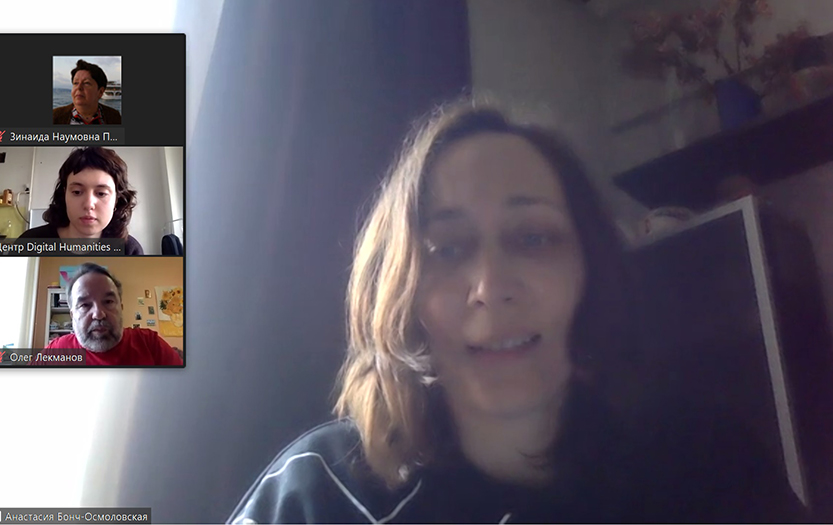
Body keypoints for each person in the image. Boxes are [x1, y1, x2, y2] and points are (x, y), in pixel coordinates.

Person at [228, 101, 812, 523]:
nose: (491, 287)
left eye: (533, 238)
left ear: (589, 269)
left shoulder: (708, 463)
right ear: (401, 290)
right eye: (446, 249)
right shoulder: (319, 493)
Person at [32, 263, 182, 366]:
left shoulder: (150, 344)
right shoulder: (57, 350)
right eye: (85, 305)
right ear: (72, 315)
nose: (98, 314)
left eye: (108, 301)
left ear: (121, 307)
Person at [19, 147, 144, 255]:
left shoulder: (128, 249)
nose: (88, 204)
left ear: (117, 199)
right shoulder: (29, 242)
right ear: (64, 195)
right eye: (77, 192)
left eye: (101, 193)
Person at [53, 59, 122, 125]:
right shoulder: (55, 117)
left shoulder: (115, 117)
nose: (79, 88)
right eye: (76, 83)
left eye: (86, 83)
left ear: (100, 92)